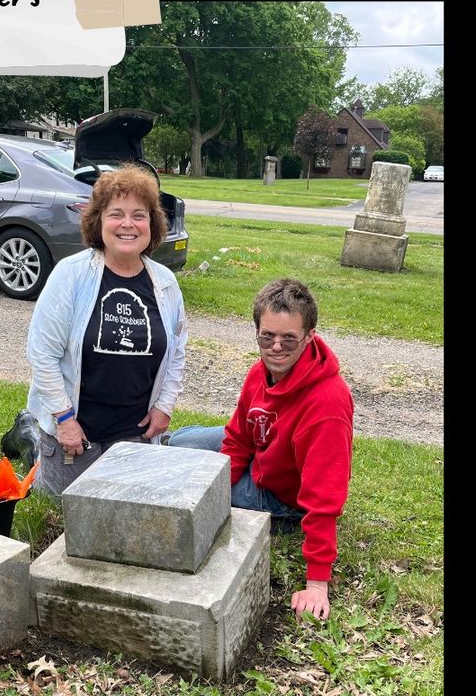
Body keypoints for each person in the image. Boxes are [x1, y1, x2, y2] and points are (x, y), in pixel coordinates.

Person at [167, 277, 353, 620]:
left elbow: (325, 498)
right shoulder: (260, 371)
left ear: (310, 337)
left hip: (283, 496)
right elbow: (238, 437)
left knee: (190, 478)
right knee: (181, 444)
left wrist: (317, 584)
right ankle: (150, 453)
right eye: (267, 337)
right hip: (262, 453)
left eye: (289, 339)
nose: (276, 347)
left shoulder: (327, 404)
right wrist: (219, 480)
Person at [25, 168, 187, 494]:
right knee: (63, 511)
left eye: (138, 216)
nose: (128, 224)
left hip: (133, 433)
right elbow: (42, 354)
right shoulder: (70, 275)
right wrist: (64, 420)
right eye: (116, 214)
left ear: (152, 225)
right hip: (75, 432)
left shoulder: (166, 283)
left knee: (127, 507)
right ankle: (30, 434)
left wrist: (164, 406)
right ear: (98, 221)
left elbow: (177, 353)